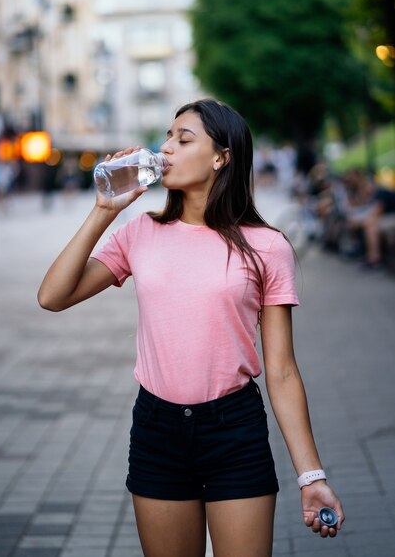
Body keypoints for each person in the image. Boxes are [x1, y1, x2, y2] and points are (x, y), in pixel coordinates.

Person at [38, 99, 344, 557]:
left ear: (221, 157)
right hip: (157, 430)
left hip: (234, 430)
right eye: (167, 138)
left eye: (184, 139)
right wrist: (104, 210)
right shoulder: (140, 232)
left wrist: (311, 476)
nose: (166, 149)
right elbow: (53, 297)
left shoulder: (267, 247)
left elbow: (281, 372)